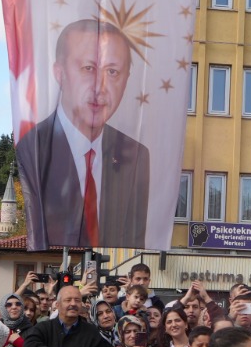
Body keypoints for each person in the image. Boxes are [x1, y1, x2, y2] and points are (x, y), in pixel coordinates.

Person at [17, 18, 152, 251]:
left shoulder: (135, 155)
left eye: (112, 71)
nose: (100, 86)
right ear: (59, 73)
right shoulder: (35, 147)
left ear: (127, 80)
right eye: (88, 69)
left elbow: (133, 243)